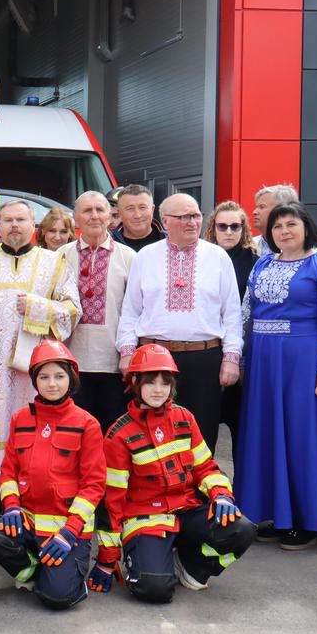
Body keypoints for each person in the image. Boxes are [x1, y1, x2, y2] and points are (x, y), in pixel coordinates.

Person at [96, 344, 256, 603]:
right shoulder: (118, 434)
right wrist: (107, 557)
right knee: (154, 590)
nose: (158, 390)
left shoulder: (184, 418)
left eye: (165, 382)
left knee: (242, 529)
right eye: (150, 382)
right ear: (134, 382)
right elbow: (112, 501)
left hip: (185, 510)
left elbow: (205, 467)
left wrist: (222, 495)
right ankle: (146, 560)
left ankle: (192, 566)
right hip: (145, 519)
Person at [235, 201, 317, 549]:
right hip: (263, 360)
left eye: (291, 224)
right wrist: (240, 358)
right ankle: (276, 513)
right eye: (277, 226)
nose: (284, 231)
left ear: (307, 228)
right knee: (267, 434)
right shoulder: (263, 263)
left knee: (302, 436)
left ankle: (308, 519)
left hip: (303, 359)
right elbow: (246, 312)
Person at [0, 341, 106, 609]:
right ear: (34, 381)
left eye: (59, 376)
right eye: (43, 377)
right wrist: (10, 508)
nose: (52, 384)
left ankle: (63, 579)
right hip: (28, 520)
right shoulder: (20, 419)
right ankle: (31, 570)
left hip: (66, 528)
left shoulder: (87, 424)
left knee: (57, 598)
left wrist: (70, 532)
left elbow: (93, 485)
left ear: (71, 378)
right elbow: (9, 471)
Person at [115, 193, 242, 452]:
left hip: (204, 359)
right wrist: (127, 353)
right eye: (184, 217)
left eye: (196, 215)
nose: (192, 222)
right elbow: (130, 311)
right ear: (165, 221)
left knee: (201, 436)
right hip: (153, 359)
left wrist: (231, 359)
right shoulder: (145, 257)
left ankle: (199, 492)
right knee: (152, 436)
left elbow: (232, 314)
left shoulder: (218, 257)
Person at [0, 199, 80, 464]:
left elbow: (73, 310)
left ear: (33, 226)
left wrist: (38, 307)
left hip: (34, 368)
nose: (15, 225)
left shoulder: (54, 263)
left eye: (21, 220)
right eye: (8, 220)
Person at [57, 191, 135, 430]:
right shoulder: (61, 255)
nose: (94, 216)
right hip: (72, 361)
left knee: (112, 432)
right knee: (75, 432)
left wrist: (129, 354)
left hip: (113, 362)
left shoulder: (128, 256)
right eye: (87, 211)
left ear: (110, 217)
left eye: (100, 210)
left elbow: (134, 310)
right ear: (75, 219)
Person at [204, 200, 258, 448]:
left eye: (234, 226)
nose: (228, 232)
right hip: (210, 348)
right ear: (213, 228)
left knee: (241, 425)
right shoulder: (202, 258)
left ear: (243, 229)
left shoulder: (257, 262)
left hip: (245, 350)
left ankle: (242, 485)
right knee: (206, 422)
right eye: (222, 226)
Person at [111, 184, 164, 252]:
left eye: (142, 207)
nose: (137, 215)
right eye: (130, 208)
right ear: (120, 213)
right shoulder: (107, 244)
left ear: (152, 209)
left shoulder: (172, 241)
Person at [251, 184, 299, 257]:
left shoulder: (308, 250)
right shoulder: (249, 246)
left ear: (282, 209)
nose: (254, 212)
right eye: (257, 207)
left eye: (262, 207)